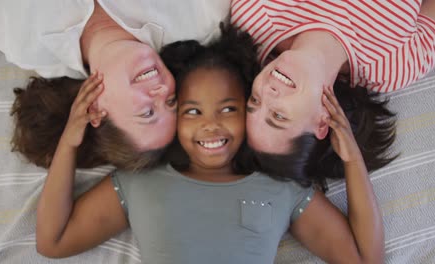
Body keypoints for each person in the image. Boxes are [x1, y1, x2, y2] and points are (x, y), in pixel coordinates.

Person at [34, 26, 384, 264]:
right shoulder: (140, 183)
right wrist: (70, 140)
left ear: (249, 115)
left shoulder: (282, 189)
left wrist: (352, 157)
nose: (210, 123)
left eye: (229, 108)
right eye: (192, 111)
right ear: (174, 121)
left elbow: (366, 258)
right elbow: (53, 241)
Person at [0, 0, 230, 169]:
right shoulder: (200, 21)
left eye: (148, 112)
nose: (162, 91)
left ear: (95, 111)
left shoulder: (23, 43)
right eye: (171, 102)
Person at [230, 0, 435, 161]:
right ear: (322, 120)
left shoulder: (257, 14)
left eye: (254, 101)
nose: (267, 92)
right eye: (278, 115)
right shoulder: (391, 67)